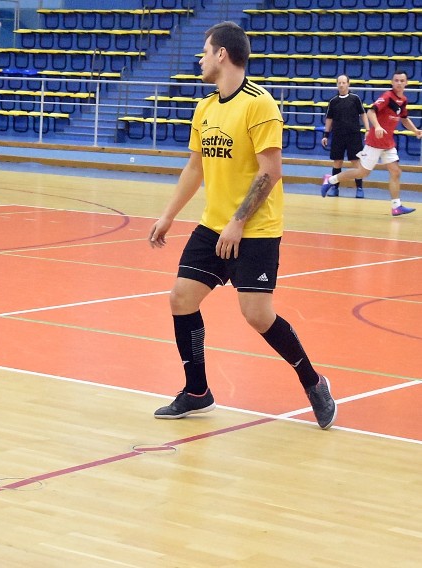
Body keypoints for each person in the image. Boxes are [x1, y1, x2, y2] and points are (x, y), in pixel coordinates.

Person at [147, 22, 336, 430]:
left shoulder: (260, 104)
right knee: (181, 298)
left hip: (255, 230)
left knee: (256, 316)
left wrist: (238, 222)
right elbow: (195, 167)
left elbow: (271, 171)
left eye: (205, 50)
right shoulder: (205, 108)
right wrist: (168, 215)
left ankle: (314, 382)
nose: (199, 58)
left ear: (222, 55)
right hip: (214, 226)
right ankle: (197, 391)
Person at [320, 70, 422, 216]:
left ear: (406, 83)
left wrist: (415, 130)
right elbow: (370, 112)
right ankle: (330, 180)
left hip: (388, 143)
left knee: (395, 171)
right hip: (375, 141)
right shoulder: (387, 97)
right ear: (392, 82)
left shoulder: (403, 100)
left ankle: (396, 206)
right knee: (362, 172)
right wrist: (378, 126)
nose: (399, 83)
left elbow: (404, 118)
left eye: (402, 81)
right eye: (396, 80)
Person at [320, 74, 369, 198]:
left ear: (348, 84)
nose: (341, 85)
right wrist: (326, 134)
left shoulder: (355, 98)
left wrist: (368, 129)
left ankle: (359, 188)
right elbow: (329, 119)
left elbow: (363, 114)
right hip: (338, 135)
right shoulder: (333, 101)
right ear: (337, 85)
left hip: (354, 135)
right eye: (339, 83)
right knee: (337, 162)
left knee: (355, 162)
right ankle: (335, 188)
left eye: (344, 82)